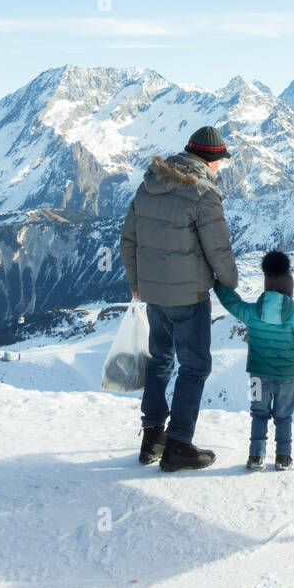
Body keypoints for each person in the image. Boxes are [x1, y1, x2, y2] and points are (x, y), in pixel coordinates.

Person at [119, 125, 240, 471]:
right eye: (220, 162)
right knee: (195, 366)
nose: (220, 169)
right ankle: (178, 445)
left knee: (160, 359)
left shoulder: (148, 186)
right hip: (189, 297)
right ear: (211, 159)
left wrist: (137, 282)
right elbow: (219, 249)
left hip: (154, 295)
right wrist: (229, 282)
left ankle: (152, 438)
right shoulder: (204, 194)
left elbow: (127, 241)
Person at [214, 250, 294, 471]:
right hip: (286, 378)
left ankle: (256, 456)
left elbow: (231, 301)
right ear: (289, 290)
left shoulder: (252, 312)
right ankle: (283, 457)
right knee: (283, 417)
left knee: (259, 414)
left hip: (257, 376)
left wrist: (215, 282)